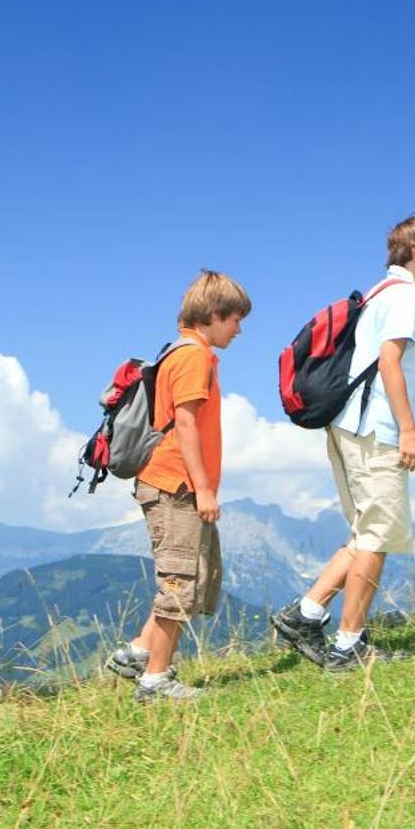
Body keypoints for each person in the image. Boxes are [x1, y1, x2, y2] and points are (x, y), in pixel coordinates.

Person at [272, 215, 415, 671]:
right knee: (377, 535)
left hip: (346, 426)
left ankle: (306, 614)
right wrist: (408, 431)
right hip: (376, 430)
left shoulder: (376, 293)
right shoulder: (405, 295)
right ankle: (348, 647)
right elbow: (390, 363)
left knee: (365, 531)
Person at [102, 270, 251, 702]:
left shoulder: (182, 353)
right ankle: (155, 680)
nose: (240, 329)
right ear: (215, 314)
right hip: (176, 484)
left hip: (170, 481)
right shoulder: (193, 357)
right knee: (179, 582)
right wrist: (203, 488)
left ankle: (137, 654)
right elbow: (185, 423)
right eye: (236, 319)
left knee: (192, 577)